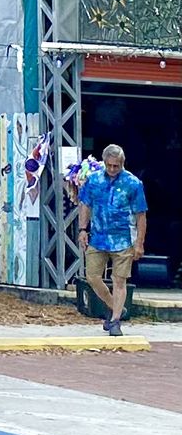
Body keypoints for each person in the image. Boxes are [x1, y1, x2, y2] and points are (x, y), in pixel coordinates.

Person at [72, 144, 148, 336]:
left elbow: (141, 215)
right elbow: (85, 205)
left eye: (116, 166)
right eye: (109, 165)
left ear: (122, 163)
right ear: (104, 162)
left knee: (119, 280)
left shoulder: (133, 183)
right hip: (98, 237)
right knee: (92, 276)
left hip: (123, 239)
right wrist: (82, 229)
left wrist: (139, 243)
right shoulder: (94, 180)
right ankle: (115, 306)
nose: (113, 169)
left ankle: (115, 321)